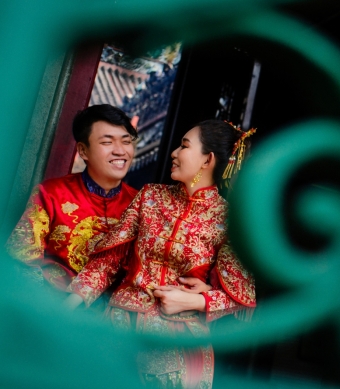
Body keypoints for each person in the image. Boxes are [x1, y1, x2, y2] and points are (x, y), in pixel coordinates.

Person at [66, 120, 257, 389]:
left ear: (207, 160)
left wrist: (194, 301)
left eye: (184, 146)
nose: (174, 152)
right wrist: (65, 307)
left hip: (179, 344)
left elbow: (242, 297)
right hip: (118, 327)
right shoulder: (149, 196)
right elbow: (105, 263)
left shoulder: (227, 219)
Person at [5, 104, 139, 291]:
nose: (120, 151)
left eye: (126, 141)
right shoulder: (51, 194)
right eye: (107, 142)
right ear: (83, 151)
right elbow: (22, 259)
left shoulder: (140, 205)